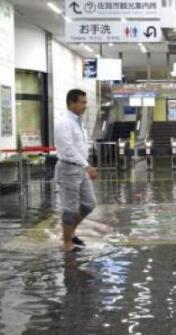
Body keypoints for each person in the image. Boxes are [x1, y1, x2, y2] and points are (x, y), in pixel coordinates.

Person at [55, 89, 98, 252]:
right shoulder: (64, 122)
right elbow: (67, 149)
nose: (85, 106)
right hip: (68, 168)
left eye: (85, 102)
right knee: (69, 208)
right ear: (72, 102)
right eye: (82, 102)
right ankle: (67, 243)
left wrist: (86, 165)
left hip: (80, 167)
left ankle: (70, 232)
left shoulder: (77, 121)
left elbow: (79, 147)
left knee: (89, 204)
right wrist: (87, 166)